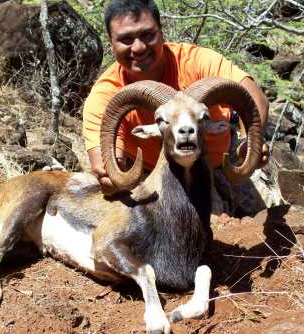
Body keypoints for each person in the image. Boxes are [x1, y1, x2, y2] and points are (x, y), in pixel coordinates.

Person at [82, 0, 270, 198]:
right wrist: (113, 174)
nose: (138, 47)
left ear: (161, 32)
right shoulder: (105, 95)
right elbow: (104, 166)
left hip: (221, 163)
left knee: (267, 217)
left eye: (147, 35)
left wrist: (249, 142)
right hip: (153, 174)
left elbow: (253, 97)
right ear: (111, 45)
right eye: (126, 39)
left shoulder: (196, 61)